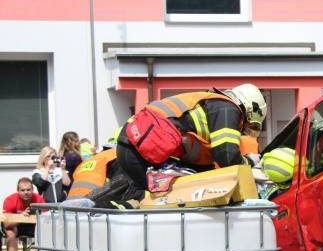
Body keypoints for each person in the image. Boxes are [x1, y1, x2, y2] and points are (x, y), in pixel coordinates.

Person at [111, 83, 267, 201]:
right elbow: (227, 154)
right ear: (250, 109)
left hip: (132, 146)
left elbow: (203, 167)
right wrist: (249, 163)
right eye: (248, 124)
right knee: (161, 200)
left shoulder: (211, 107)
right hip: (141, 151)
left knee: (157, 197)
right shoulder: (227, 108)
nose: (242, 129)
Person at [2, 178, 45, 251]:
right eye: (23, 190)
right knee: (10, 232)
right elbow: (6, 224)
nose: (26, 193)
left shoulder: (39, 200)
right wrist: (21, 216)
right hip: (16, 225)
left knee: (46, 231)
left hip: (33, 225)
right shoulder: (10, 200)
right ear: (18, 191)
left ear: (32, 190)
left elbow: (46, 221)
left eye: (28, 190)